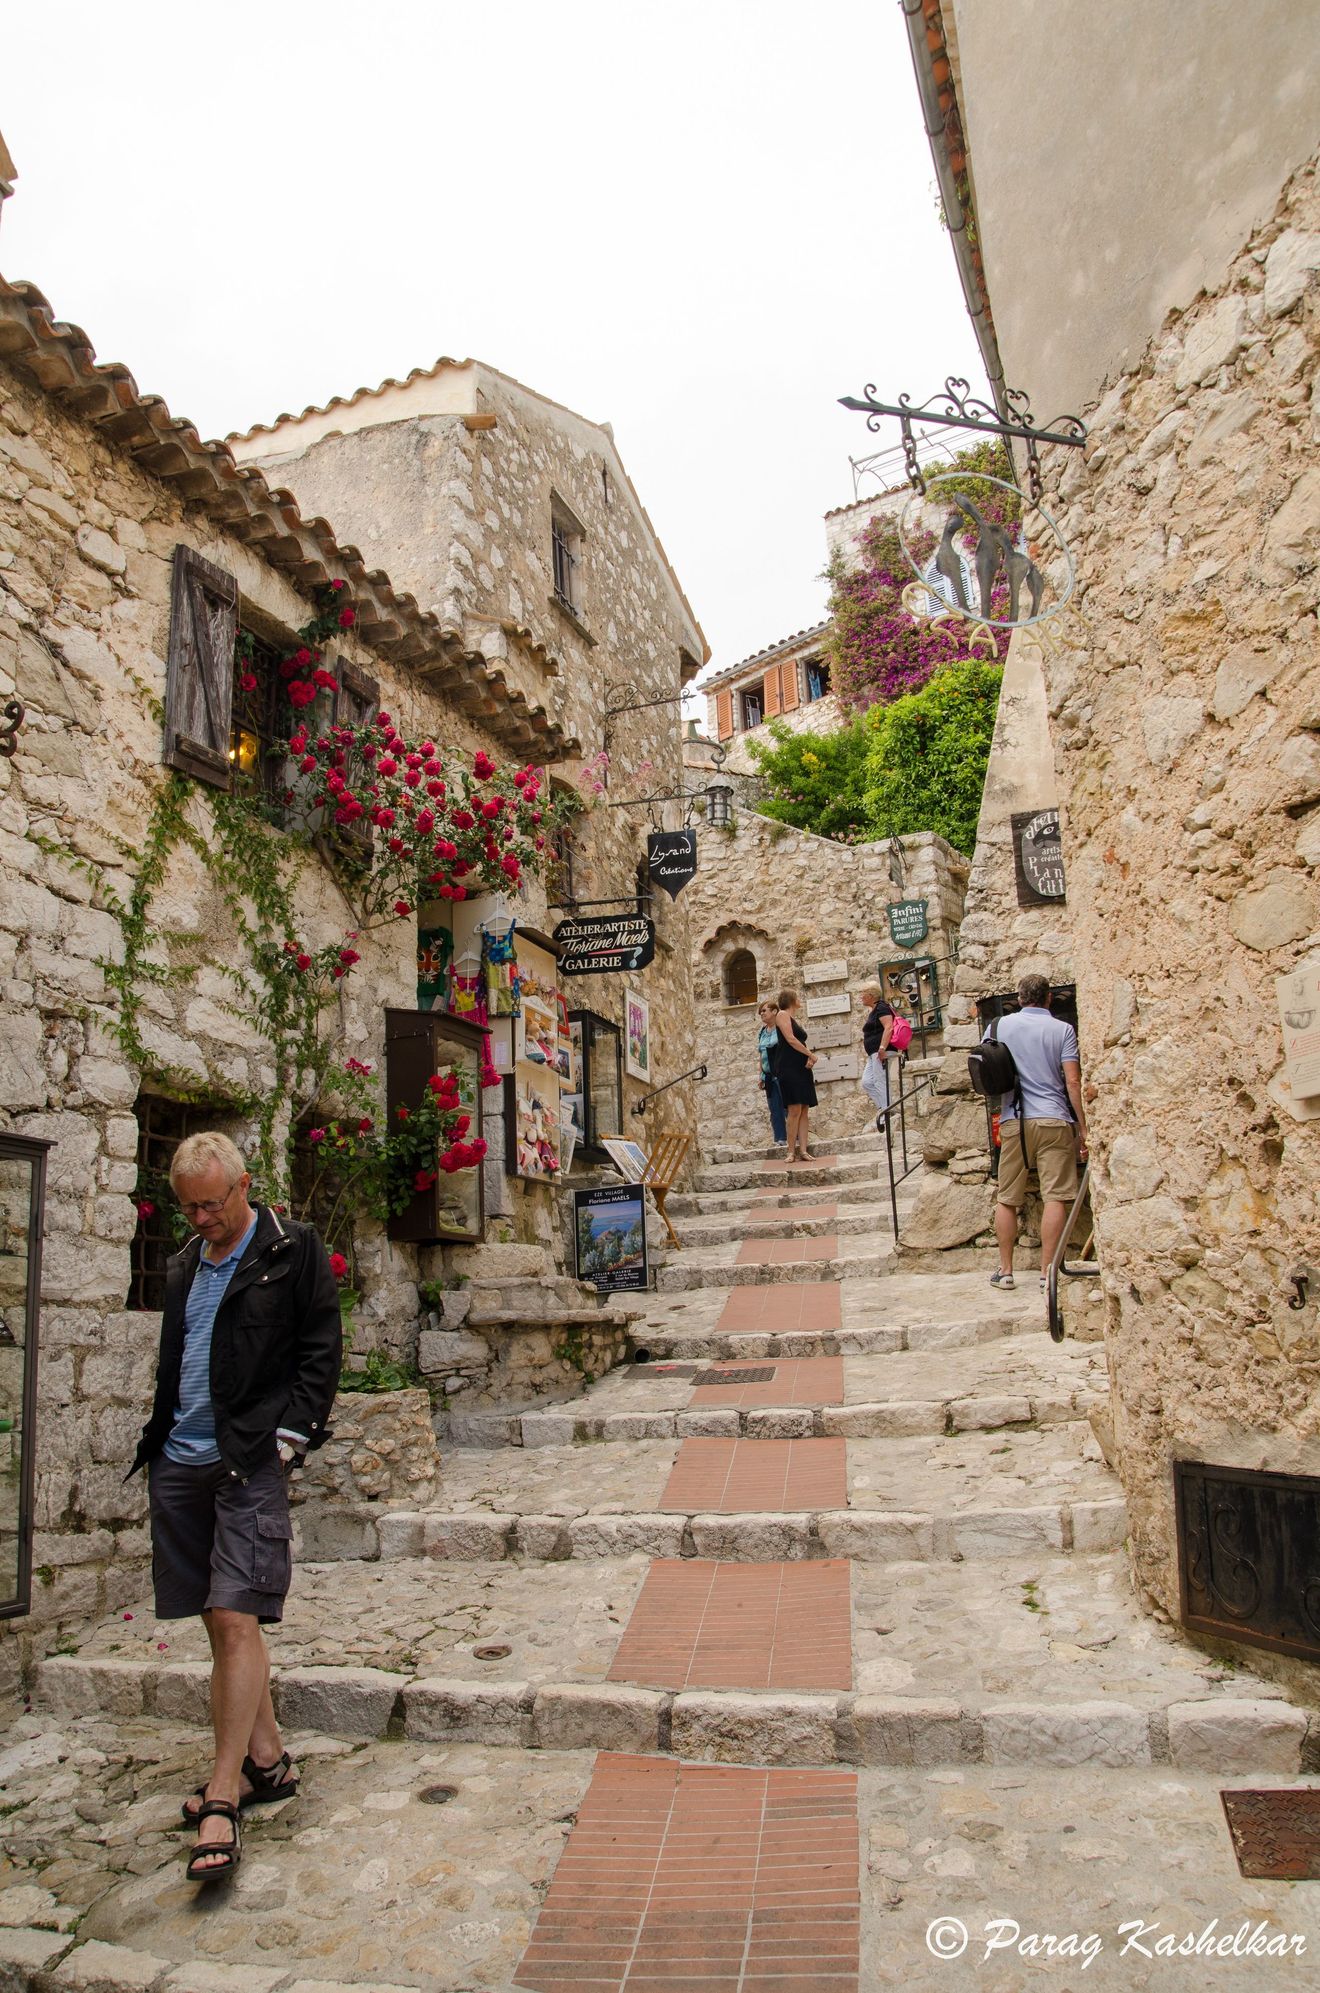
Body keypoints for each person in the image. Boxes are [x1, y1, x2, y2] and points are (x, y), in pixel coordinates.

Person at [128, 1132, 342, 1882]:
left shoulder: (292, 1248)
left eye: (211, 1204)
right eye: (189, 1208)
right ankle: (267, 1760)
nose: (200, 1219)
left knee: (234, 1615)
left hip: (247, 1459)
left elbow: (321, 1349)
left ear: (244, 1185)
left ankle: (223, 1793)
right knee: (216, 1618)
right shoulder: (186, 1262)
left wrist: (287, 1440)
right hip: (179, 1460)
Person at [985, 974, 1089, 1293]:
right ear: (1048, 998)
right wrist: (1083, 1127)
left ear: (1019, 998)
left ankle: (1005, 1272)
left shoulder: (998, 1027)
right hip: (1054, 1118)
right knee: (1054, 1196)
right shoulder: (1062, 1029)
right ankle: (1047, 1273)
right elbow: (1072, 1081)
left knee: (1007, 1197)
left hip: (1013, 1119)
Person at [773, 987, 819, 1161]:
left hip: (801, 1067)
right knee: (794, 1109)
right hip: (789, 1067)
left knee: (804, 1108)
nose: (799, 1000)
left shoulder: (793, 1018)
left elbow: (798, 1041)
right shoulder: (782, 1014)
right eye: (797, 997)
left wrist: (807, 1058)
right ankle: (791, 1151)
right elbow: (790, 1039)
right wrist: (810, 1054)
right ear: (791, 1000)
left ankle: (804, 1151)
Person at [857, 983, 895, 1131]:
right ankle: (884, 1107)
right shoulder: (874, 1009)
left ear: (871, 995)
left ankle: (886, 1113)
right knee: (867, 1082)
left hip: (881, 1051)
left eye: (863, 993)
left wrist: (882, 1048)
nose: (861, 996)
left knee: (880, 1081)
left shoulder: (881, 1007)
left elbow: (889, 1027)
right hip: (873, 1053)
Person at [756, 999, 788, 1146]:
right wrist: (761, 1076)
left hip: (782, 1073)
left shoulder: (781, 1028)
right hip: (768, 1076)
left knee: (787, 1106)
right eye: (760, 1012)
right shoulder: (762, 1032)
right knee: (774, 1108)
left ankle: (796, 1137)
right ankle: (780, 1139)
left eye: (764, 1011)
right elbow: (761, 1055)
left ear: (774, 1011)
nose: (762, 1014)